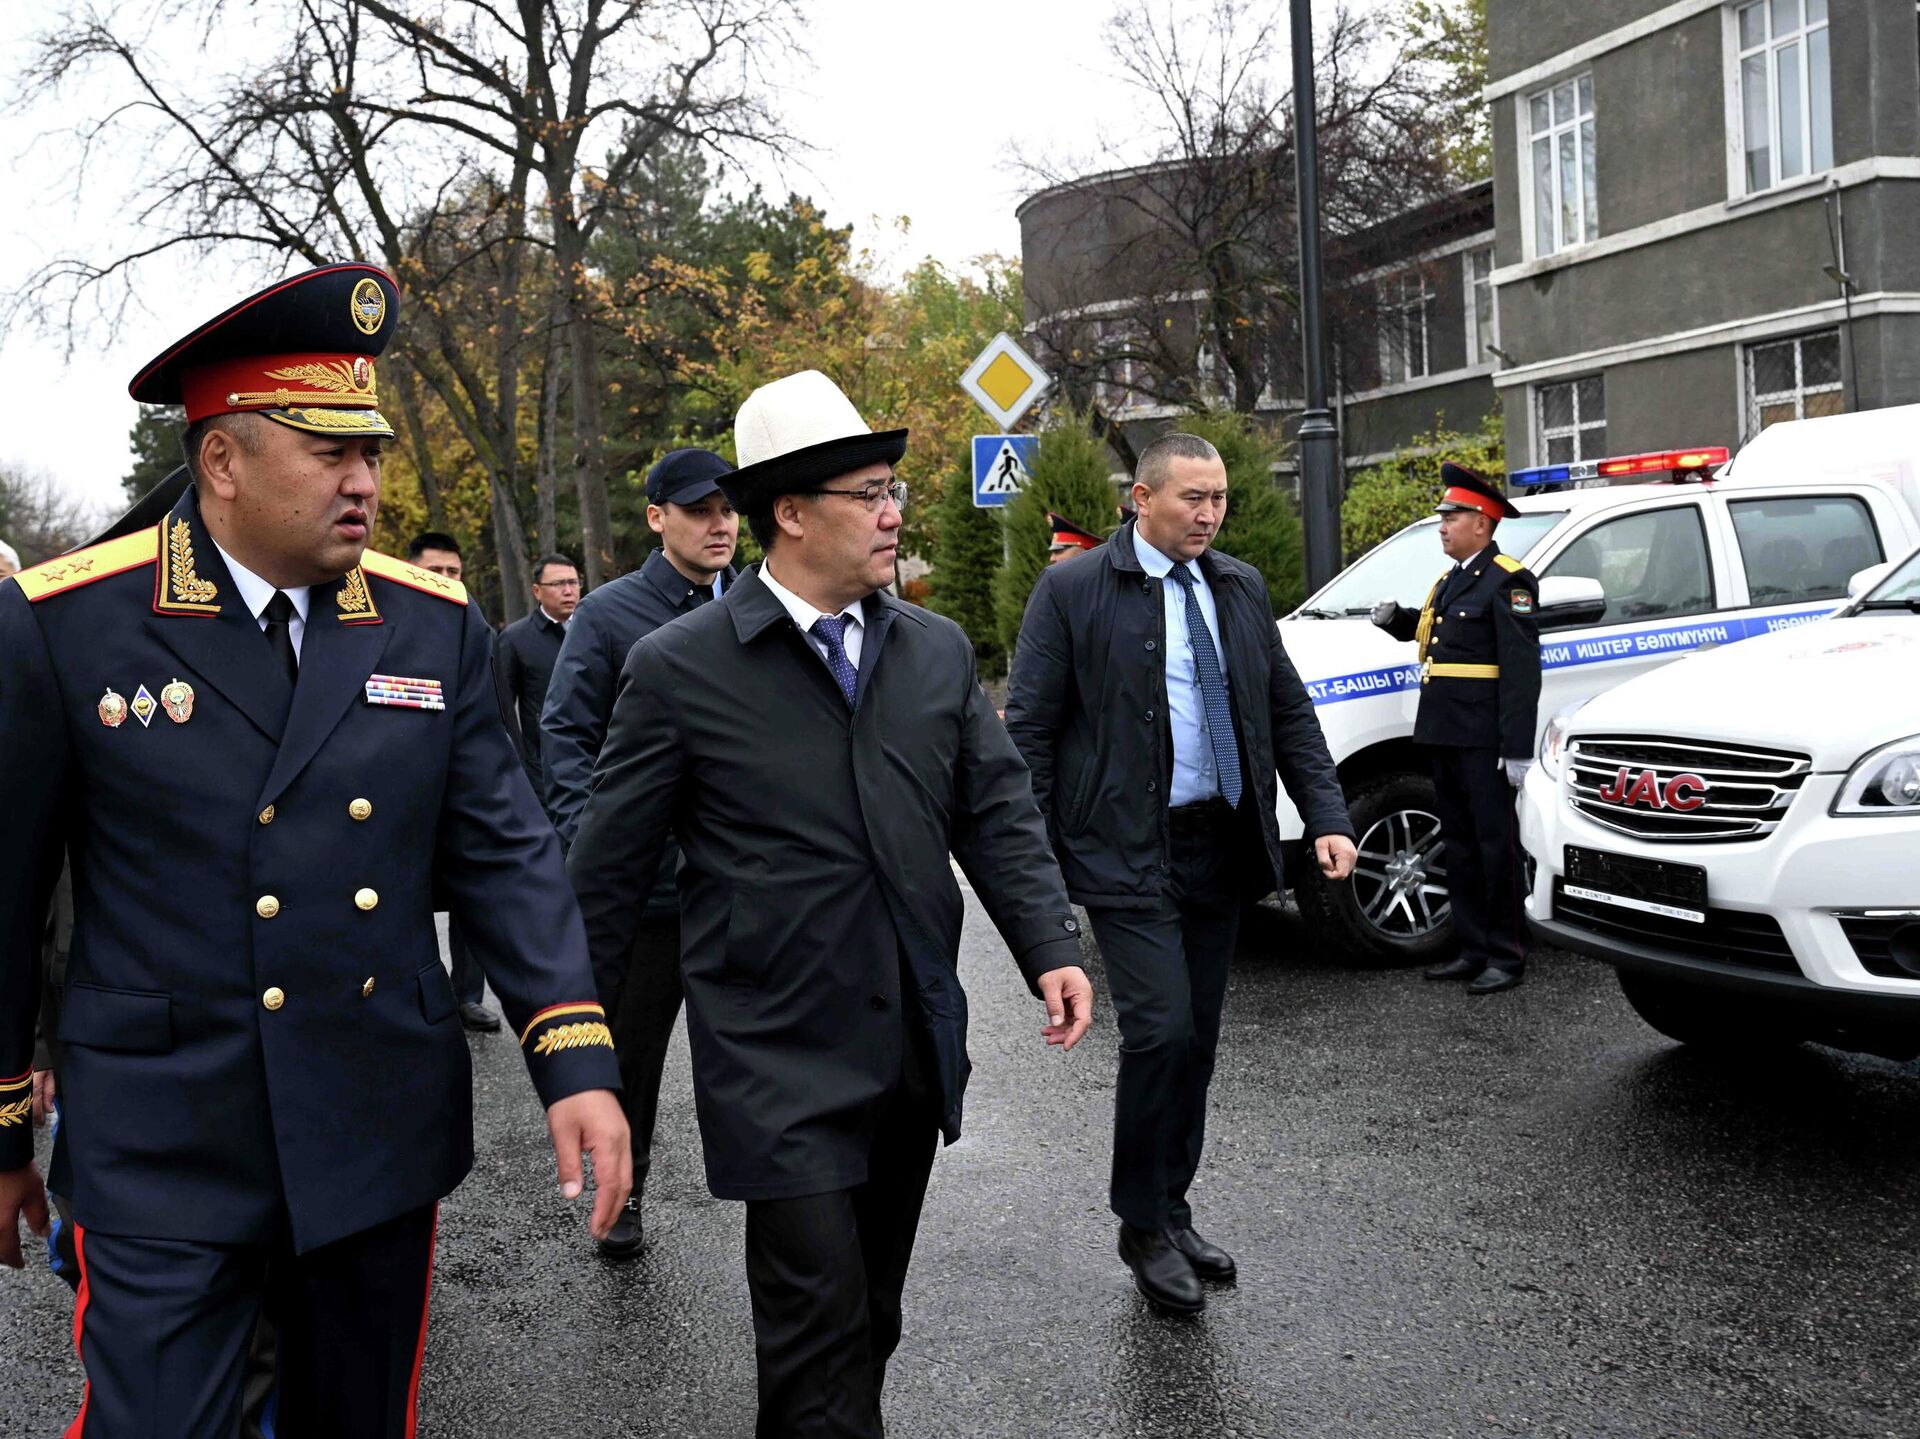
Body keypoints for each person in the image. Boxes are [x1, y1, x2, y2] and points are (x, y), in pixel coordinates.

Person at [0, 263, 629, 1438]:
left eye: (371, 452)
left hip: (370, 1124)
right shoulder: (66, 622)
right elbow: (7, 890)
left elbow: (506, 852)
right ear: (222, 461)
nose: (365, 482)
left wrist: (575, 1051)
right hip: (165, 1141)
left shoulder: (429, 623)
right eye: (328, 451)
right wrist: (1, 1127)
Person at [567, 369, 1094, 1437]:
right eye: (870, 493)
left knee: (872, 1318)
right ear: (793, 512)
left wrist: (1050, 942)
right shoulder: (679, 668)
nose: (894, 512)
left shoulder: (932, 649)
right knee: (816, 1331)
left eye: (892, 488)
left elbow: (995, 810)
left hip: (906, 1047)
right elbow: (604, 877)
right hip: (775, 1057)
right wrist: (579, 1058)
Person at [1005, 432, 1358, 1315]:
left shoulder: (1237, 586)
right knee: (1158, 1032)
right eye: (1191, 497)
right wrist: (1036, 875)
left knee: (1196, 1040)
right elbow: (1030, 733)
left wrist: (1326, 813)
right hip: (1124, 847)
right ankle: (1140, 1224)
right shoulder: (1075, 589)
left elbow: (1286, 707)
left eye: (1219, 498)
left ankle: (1172, 1207)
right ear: (1142, 498)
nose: (1208, 514)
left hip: (1219, 844)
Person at [541, 447, 739, 1260]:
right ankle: (625, 1191)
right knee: (634, 1052)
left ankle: (778, 1187)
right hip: (650, 892)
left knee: (751, 1049)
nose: (719, 524)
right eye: (698, 510)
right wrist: (595, 847)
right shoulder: (610, 614)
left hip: (736, 883)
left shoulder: (757, 601)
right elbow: (565, 735)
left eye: (727, 508)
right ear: (657, 518)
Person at [1370, 463, 1542, 995]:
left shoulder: (1508, 580)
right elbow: (1440, 639)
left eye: (1452, 517)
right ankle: (1471, 948)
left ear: (1482, 523)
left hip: (1484, 738)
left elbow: (1521, 671)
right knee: (1460, 845)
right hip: (1444, 731)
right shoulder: (1450, 580)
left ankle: (1506, 955)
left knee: (1496, 847)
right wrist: (1397, 619)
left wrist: (1517, 748)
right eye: (1442, 517)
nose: (1442, 526)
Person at [407, 529, 505, 1032]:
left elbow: (496, 715)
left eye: (454, 572)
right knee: (407, 899)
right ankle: (417, 991)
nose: (447, 580)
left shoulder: (476, 630)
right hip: (406, 797)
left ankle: (468, 995)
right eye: (436, 571)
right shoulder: (385, 626)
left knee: (473, 897)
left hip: (462, 792)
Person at [495, 552, 581, 790]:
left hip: (596, 759)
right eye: (558, 584)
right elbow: (503, 708)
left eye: (573, 582)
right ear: (537, 591)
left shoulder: (593, 630)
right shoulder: (516, 639)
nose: (568, 591)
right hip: (542, 768)